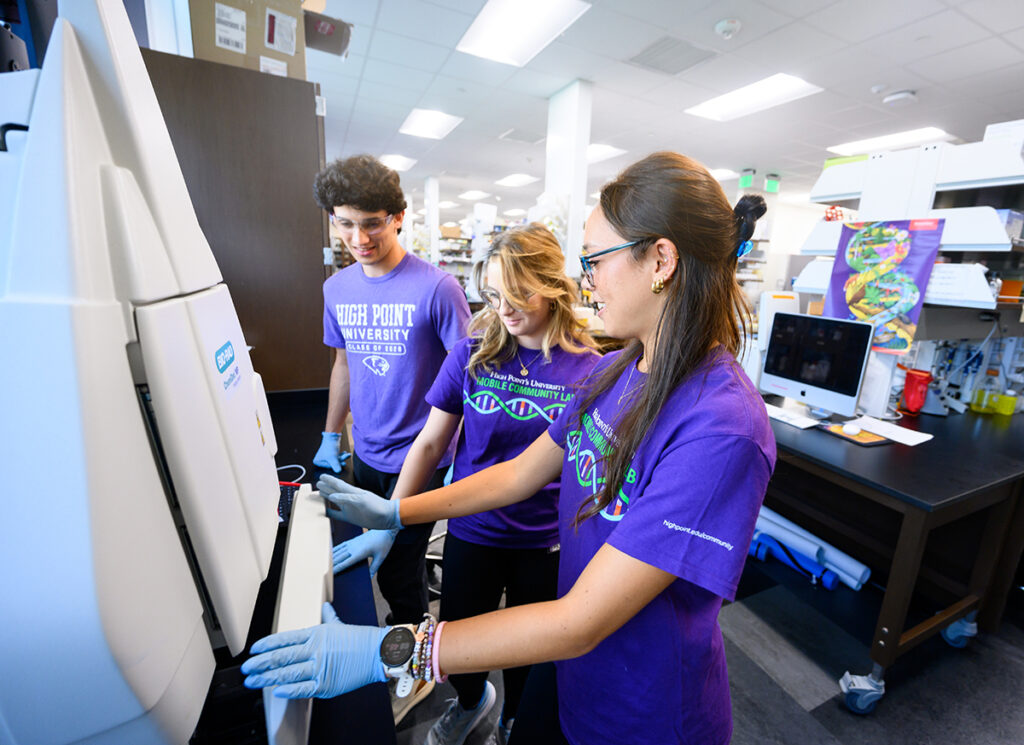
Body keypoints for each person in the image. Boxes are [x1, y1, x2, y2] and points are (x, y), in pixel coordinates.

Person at [244, 152, 776, 745]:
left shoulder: (721, 428)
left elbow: (580, 621)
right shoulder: (619, 370)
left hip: (643, 709)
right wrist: (398, 512)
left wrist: (393, 649)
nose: (587, 279)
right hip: (573, 671)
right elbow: (521, 474)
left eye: (594, 260)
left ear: (660, 260)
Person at [330, 222, 601, 744]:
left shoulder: (588, 373)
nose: (504, 309)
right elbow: (431, 443)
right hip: (472, 530)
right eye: (493, 295)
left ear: (552, 285)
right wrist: (393, 516)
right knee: (458, 638)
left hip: (541, 542)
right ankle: (476, 701)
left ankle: (512, 719)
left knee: (530, 656)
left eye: (518, 293)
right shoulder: (475, 353)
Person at [311, 154, 471, 712]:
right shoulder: (337, 289)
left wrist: (461, 453)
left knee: (401, 575)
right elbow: (343, 365)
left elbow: (466, 374)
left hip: (421, 461)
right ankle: (404, 647)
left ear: (398, 217)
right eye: (344, 222)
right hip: (367, 452)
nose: (358, 236)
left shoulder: (437, 288)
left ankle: (417, 669)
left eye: (372, 222)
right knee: (368, 565)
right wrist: (332, 436)